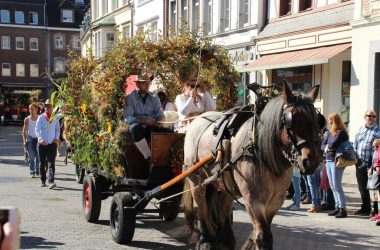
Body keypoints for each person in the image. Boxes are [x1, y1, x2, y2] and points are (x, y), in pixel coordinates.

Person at [124, 74, 170, 166]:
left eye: (148, 83)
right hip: (138, 126)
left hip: (150, 126)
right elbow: (128, 118)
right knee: (135, 129)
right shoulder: (130, 98)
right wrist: (144, 121)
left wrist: (160, 120)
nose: (147, 85)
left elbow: (159, 113)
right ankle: (149, 158)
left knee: (169, 132)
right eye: (144, 83)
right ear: (137, 85)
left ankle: (167, 159)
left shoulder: (154, 97)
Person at [321, 112, 348, 218]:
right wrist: (327, 147)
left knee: (337, 185)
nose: (328, 122)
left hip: (337, 161)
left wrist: (328, 146)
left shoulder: (341, 133)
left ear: (335, 121)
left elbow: (333, 144)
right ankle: (338, 207)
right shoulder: (330, 133)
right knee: (332, 186)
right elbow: (322, 145)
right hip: (328, 160)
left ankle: (343, 209)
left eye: (330, 120)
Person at [353, 110, 380, 216]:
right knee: (362, 187)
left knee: (373, 188)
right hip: (359, 162)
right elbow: (355, 143)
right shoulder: (360, 129)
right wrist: (355, 158)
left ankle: (376, 210)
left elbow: (376, 150)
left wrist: (373, 166)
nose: (371, 118)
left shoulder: (377, 131)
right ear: (364, 117)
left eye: (374, 116)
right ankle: (365, 207)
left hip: (371, 164)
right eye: (369, 116)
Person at [35, 99, 60, 189]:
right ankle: (42, 180)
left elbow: (57, 129)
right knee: (42, 163)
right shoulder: (41, 117)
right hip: (42, 144)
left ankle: (51, 181)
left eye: (49, 106)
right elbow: (37, 129)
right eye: (46, 106)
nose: (47, 108)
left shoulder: (56, 117)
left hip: (52, 143)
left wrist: (56, 138)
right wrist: (40, 139)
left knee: (51, 163)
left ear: (52, 108)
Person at [22, 103, 40, 178]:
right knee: (31, 156)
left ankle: (37, 170)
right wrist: (24, 140)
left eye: (32, 109)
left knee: (38, 156)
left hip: (39, 139)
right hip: (31, 139)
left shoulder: (40, 118)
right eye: (30, 109)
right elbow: (24, 131)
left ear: (36, 109)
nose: (31, 110)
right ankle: (32, 171)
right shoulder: (27, 119)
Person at [369, 139, 380, 221]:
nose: (375, 148)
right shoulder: (374, 154)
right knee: (374, 197)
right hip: (374, 177)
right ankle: (376, 213)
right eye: (374, 146)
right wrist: (370, 170)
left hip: (378, 177)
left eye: (377, 146)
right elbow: (373, 163)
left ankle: (378, 214)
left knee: (378, 197)